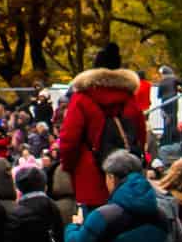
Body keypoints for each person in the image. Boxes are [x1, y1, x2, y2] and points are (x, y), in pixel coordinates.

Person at [51, 43, 147, 209]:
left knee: (95, 228)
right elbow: (141, 136)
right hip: (126, 176)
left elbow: (69, 139)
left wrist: (68, 167)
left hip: (91, 177)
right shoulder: (130, 98)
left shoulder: (82, 98)